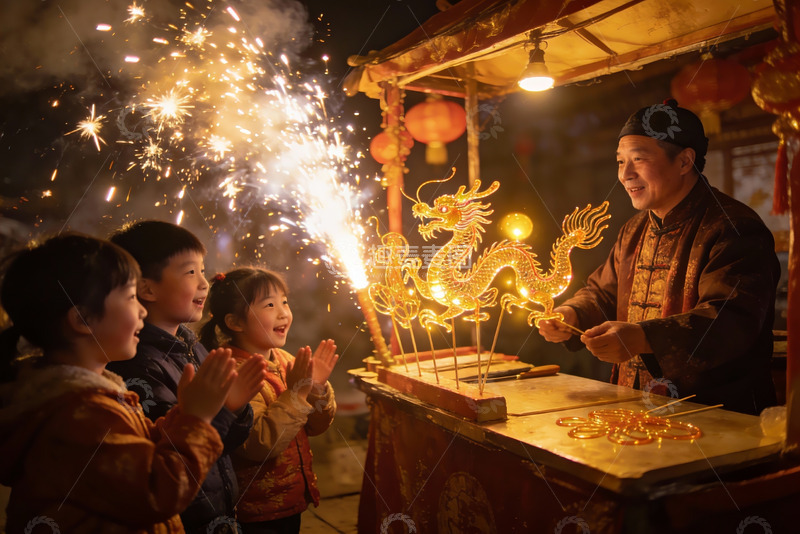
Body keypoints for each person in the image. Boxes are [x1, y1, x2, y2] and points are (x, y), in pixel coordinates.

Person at [538, 98, 779, 415]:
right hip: (637, 403)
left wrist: (642, 338)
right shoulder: (634, 230)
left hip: (715, 409)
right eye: (620, 161)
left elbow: (731, 319)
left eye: (638, 159)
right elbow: (602, 292)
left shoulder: (732, 227)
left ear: (683, 162)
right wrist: (571, 316)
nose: (626, 174)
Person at [0, 233, 249, 533]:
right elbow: (157, 490)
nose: (142, 309)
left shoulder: (93, 396)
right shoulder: (79, 415)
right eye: (131, 297)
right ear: (83, 319)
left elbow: (142, 451)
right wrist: (199, 419)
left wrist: (187, 413)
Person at [106, 221, 265, 534]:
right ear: (147, 288)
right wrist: (222, 411)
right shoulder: (137, 364)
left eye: (203, 271)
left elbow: (221, 446)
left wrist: (234, 408)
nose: (205, 283)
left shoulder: (191, 346)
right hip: (182, 516)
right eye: (191, 272)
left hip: (215, 509)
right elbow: (171, 456)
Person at [199, 267, 338, 534]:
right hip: (256, 509)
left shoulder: (285, 360)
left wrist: (318, 388)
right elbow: (259, 444)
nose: (283, 312)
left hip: (291, 498)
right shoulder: (235, 373)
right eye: (270, 304)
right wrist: (297, 393)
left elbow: (316, 427)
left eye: (284, 301)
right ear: (235, 322)